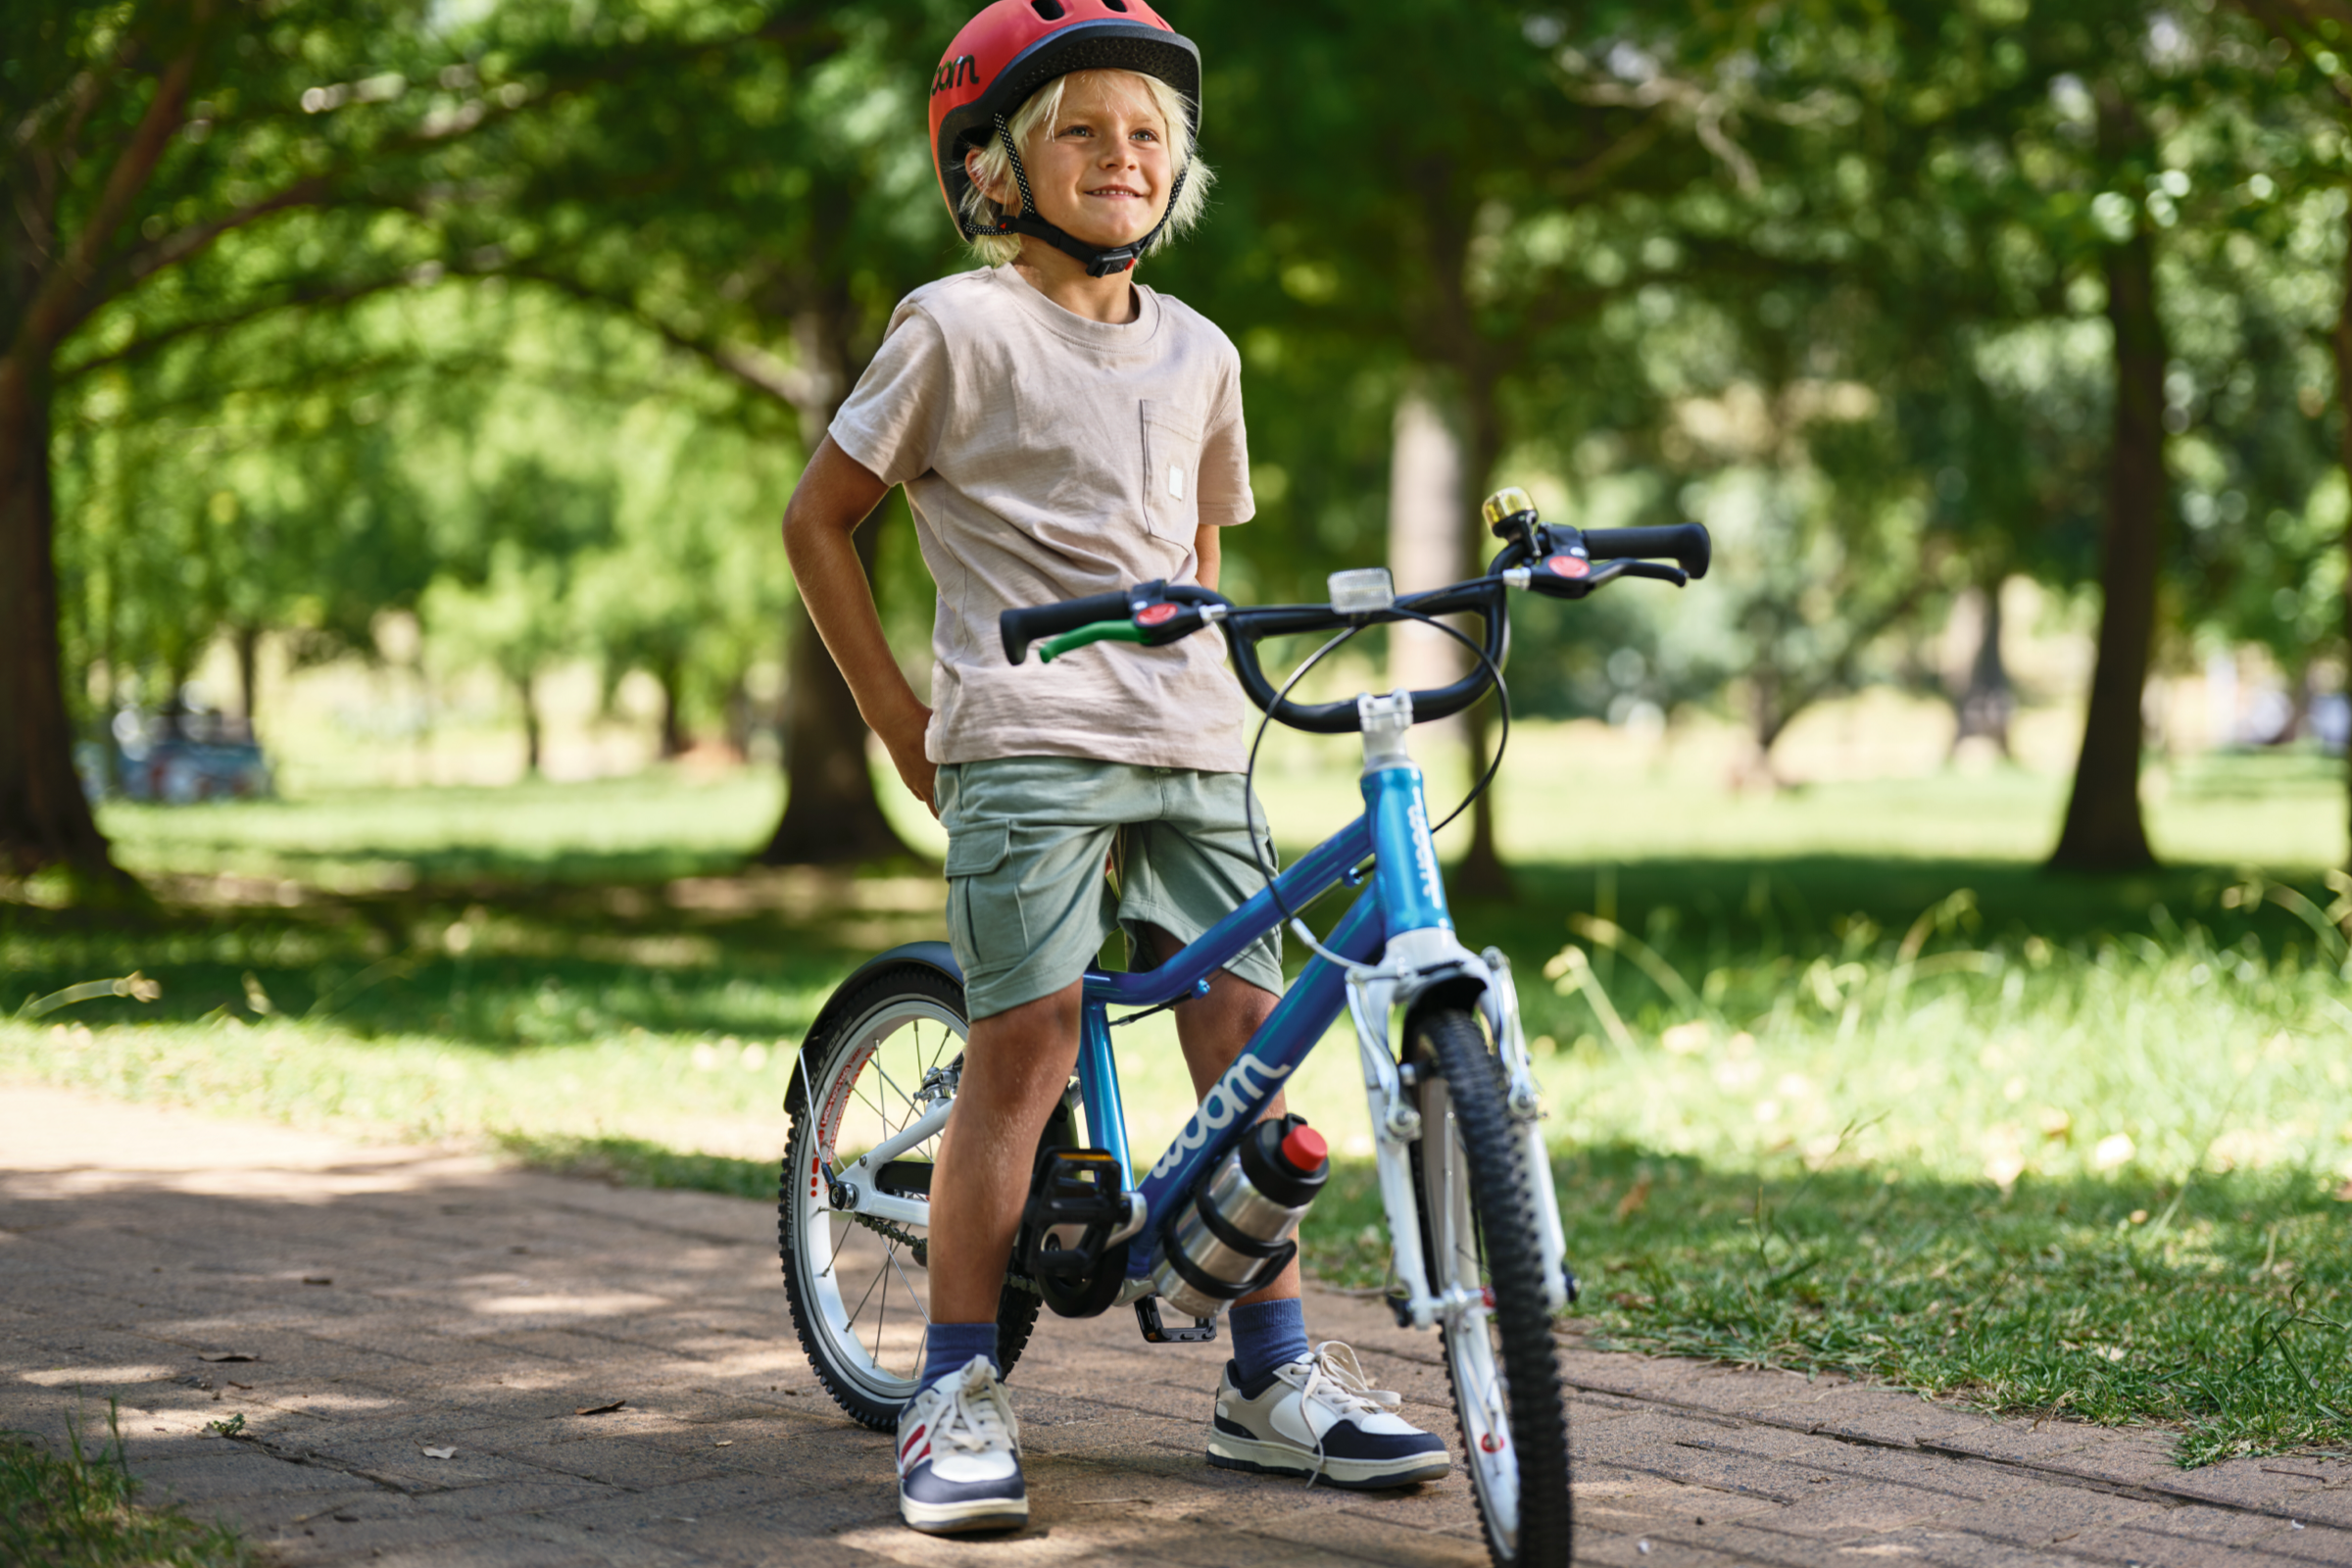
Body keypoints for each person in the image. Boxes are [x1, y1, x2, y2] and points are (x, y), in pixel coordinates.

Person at [780, 0, 1448, 1537]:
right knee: (1024, 1049)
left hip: (1191, 743)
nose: (1122, 155)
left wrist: (1215, 697)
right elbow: (821, 522)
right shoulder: (953, 328)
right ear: (999, 169)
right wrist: (900, 720)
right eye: (1080, 128)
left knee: (1246, 1048)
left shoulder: (1202, 350)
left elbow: (1196, 553)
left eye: (1149, 134)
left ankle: (1269, 1382)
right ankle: (956, 1384)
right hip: (1026, 740)